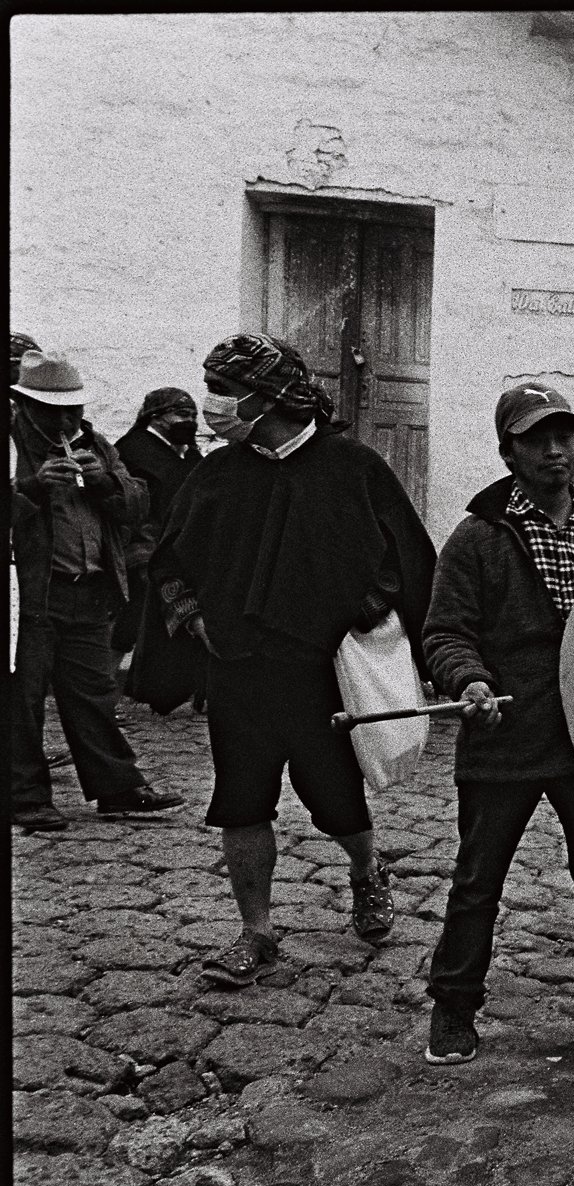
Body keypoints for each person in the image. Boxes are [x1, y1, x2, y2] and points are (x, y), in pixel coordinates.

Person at [151, 334, 436, 986]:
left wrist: (366, 611)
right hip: (239, 672)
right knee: (240, 800)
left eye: (225, 390)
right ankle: (256, 932)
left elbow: (407, 563)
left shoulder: (352, 467)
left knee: (334, 798)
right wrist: (193, 618)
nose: (213, 404)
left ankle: (366, 869)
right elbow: (169, 560)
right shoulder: (218, 472)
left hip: (320, 676)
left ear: (268, 396)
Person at [420, 384, 574, 1070]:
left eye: (565, 435)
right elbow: (444, 632)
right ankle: (453, 1006)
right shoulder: (478, 535)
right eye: (538, 439)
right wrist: (468, 679)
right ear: (509, 451)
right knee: (479, 879)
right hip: (507, 733)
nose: (556, 450)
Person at [10, 351, 184, 833]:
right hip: (30, 595)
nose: (66, 420)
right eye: (52, 410)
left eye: (74, 410)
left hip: (89, 592)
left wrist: (105, 481)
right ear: (23, 405)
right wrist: (31, 487)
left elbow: (137, 503)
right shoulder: (11, 445)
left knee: (93, 693)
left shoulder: (97, 444)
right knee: (22, 699)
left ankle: (117, 788)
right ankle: (26, 797)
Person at [111, 388, 203, 661]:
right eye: (182, 414)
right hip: (145, 556)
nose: (190, 422)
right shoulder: (134, 451)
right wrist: (143, 555)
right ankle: (100, 698)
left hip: (181, 554)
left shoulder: (188, 455)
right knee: (127, 628)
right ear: (155, 417)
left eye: (193, 416)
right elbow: (129, 509)